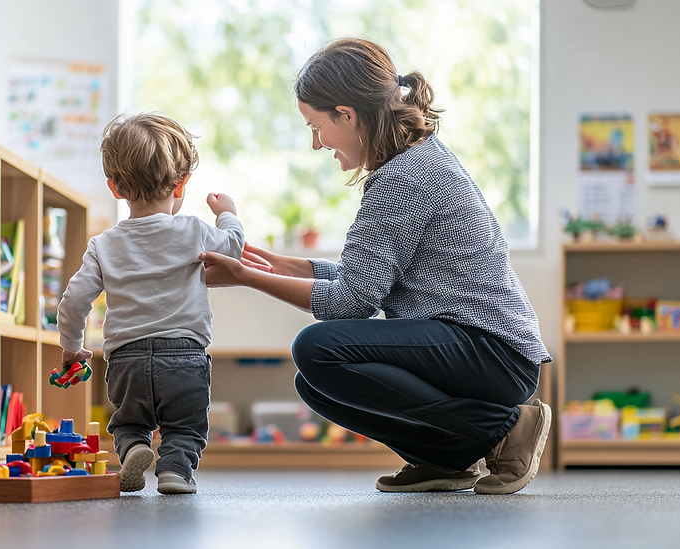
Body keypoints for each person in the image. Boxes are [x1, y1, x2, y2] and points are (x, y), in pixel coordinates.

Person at [199, 37, 552, 495]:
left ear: (346, 115)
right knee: (314, 384)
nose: (315, 144)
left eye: (315, 126)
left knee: (317, 348)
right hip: (479, 350)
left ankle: (505, 430)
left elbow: (351, 303)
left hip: (492, 352)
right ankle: (445, 456)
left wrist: (248, 279)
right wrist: (280, 265)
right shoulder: (414, 162)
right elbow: (367, 282)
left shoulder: (402, 178)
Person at [57, 112, 246, 495]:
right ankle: (176, 471)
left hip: (125, 359)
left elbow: (74, 300)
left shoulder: (103, 244)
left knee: (127, 422)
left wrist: (72, 348)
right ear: (181, 186)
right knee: (185, 425)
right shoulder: (194, 230)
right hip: (185, 355)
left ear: (114, 187)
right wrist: (228, 213)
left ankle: (134, 449)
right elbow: (234, 247)